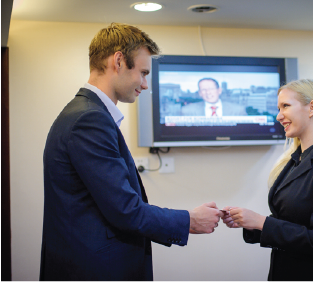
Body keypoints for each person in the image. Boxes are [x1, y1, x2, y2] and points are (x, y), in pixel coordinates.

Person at [40, 23, 222, 282]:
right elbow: (126, 210)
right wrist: (189, 221)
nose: (146, 85)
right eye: (143, 72)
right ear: (118, 61)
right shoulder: (89, 119)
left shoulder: (87, 113)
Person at [222, 79, 313, 282]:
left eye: (286, 106)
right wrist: (249, 224)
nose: (278, 115)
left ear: (312, 108)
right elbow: (290, 221)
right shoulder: (295, 159)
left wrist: (262, 223)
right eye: (278, 107)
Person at [181, 78, 247, 116]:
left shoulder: (238, 109)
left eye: (211, 89)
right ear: (200, 93)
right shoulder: (186, 110)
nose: (208, 92)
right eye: (204, 89)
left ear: (219, 90)